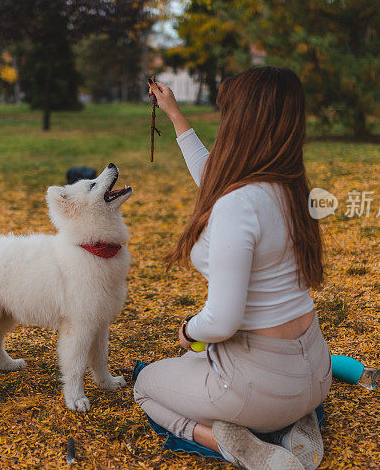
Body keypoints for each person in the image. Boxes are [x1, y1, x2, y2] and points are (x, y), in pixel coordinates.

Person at [134, 67, 332, 470]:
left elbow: (222, 322)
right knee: (197, 364)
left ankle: (234, 443)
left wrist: (187, 329)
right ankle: (297, 422)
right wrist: (174, 113)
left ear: (242, 121)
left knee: (146, 385)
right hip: (316, 372)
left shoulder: (238, 204)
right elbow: (214, 179)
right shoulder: (294, 189)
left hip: (258, 384)